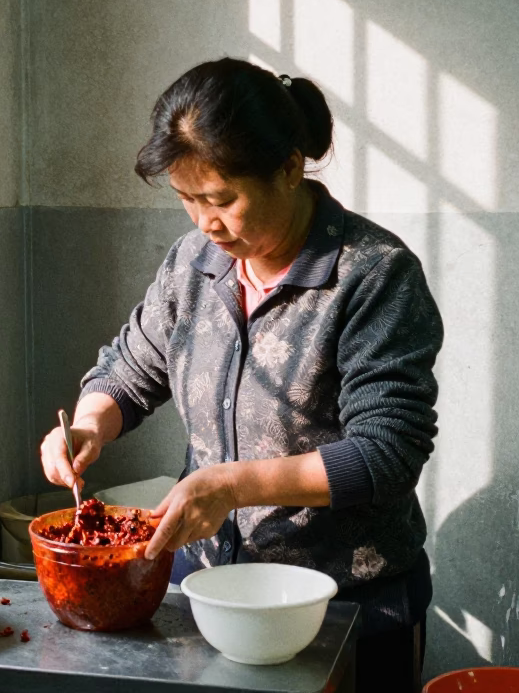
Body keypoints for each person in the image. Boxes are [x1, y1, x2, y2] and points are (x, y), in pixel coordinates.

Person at [39, 57, 443, 692]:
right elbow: (132, 367)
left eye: (222, 198)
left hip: (342, 611)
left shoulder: (373, 275)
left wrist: (231, 485)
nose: (204, 222)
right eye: (187, 199)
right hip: (206, 597)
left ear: (288, 168)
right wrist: (91, 421)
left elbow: (386, 453)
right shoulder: (196, 262)